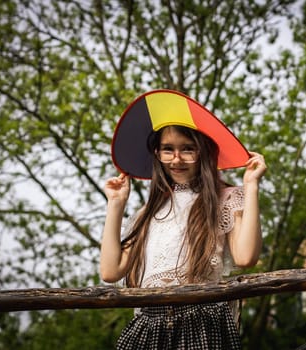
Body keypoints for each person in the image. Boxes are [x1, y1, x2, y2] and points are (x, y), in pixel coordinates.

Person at [100, 90, 267, 349]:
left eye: (187, 149)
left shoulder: (224, 199)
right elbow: (110, 271)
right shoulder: (147, 215)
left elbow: (246, 257)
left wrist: (252, 186)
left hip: (201, 322)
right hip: (149, 326)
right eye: (168, 149)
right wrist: (115, 204)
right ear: (157, 153)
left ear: (203, 152)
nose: (176, 159)